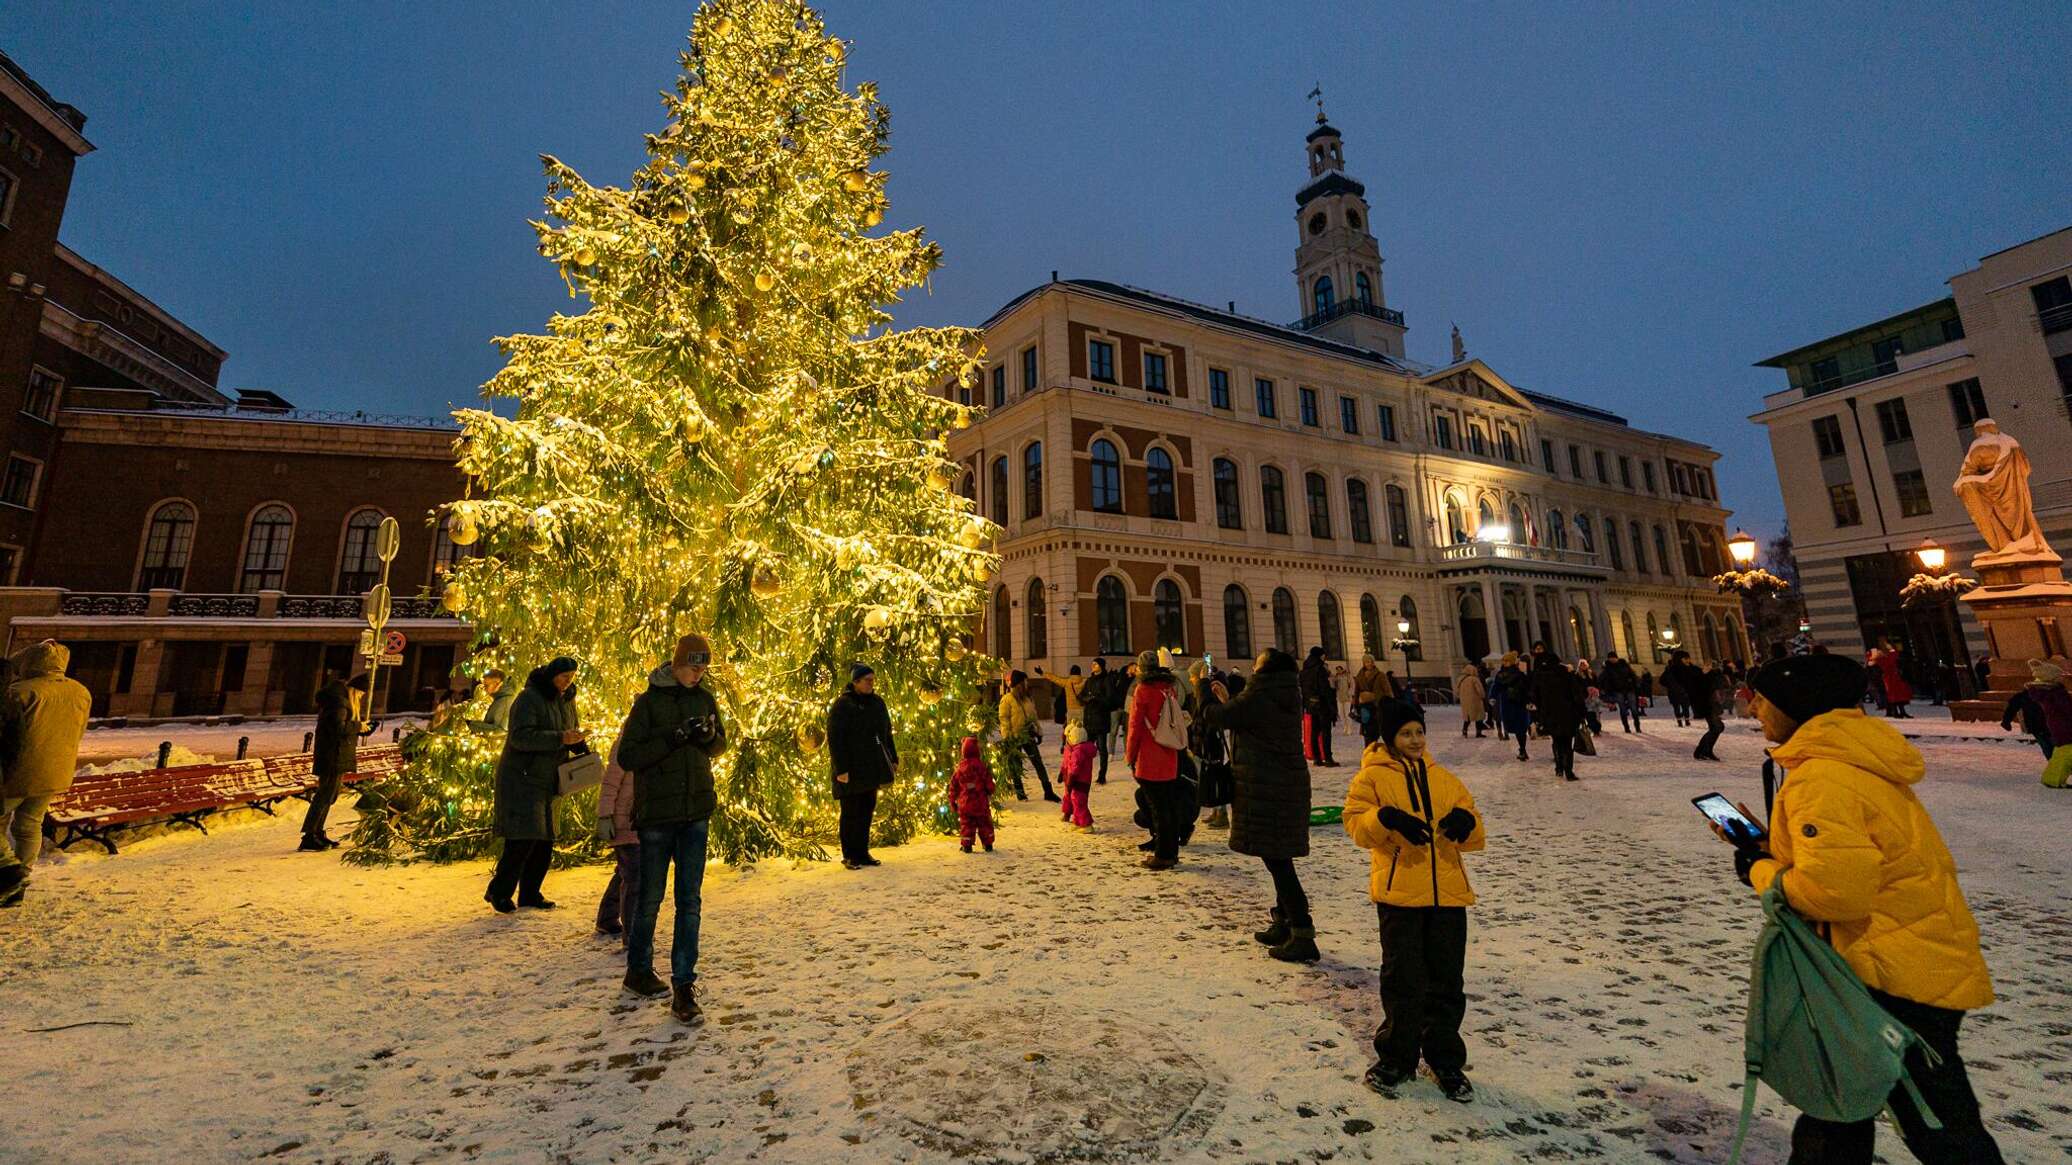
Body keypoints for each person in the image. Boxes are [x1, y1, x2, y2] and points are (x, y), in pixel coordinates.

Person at [1722, 654, 2003, 1163]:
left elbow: (1835, 895)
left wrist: (1758, 871)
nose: (1753, 707)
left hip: (1890, 974)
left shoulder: (1821, 779)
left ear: (1796, 705)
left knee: (1937, 1127)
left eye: (1762, 697)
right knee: (1843, 1109)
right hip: (1905, 955)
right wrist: (1770, 848)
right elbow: (1850, 860)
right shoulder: (1848, 760)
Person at [1344, 700, 1485, 1103]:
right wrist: (1385, 820)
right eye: (1406, 734)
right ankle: (1397, 1057)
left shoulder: (1445, 779)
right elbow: (1355, 823)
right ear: (1390, 738)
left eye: (1419, 732)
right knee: (1403, 979)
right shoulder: (1370, 778)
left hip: (1448, 895)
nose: (1415, 740)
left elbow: (1474, 824)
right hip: (1400, 894)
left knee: (1446, 981)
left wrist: (1467, 824)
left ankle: (1445, 1059)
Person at [617, 634, 727, 1021]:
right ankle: (639, 969)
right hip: (657, 816)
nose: (698, 674)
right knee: (649, 897)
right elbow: (629, 755)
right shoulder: (648, 704)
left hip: (695, 810)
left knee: (689, 902)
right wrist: (673, 737)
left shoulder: (705, 698)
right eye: (693, 667)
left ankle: (683, 986)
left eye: (703, 668)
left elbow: (720, 746)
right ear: (677, 663)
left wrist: (708, 737)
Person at [1202, 648, 1315, 963]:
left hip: (1271, 787)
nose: (1253, 665)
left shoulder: (1262, 694)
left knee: (1278, 862)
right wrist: (1228, 699)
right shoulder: (1282, 692)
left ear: (1267, 669)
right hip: (1282, 785)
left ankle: (1302, 931)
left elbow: (1219, 718)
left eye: (1258, 661)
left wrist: (1205, 694)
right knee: (1277, 856)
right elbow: (1246, 717)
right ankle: (1285, 922)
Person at [486, 657, 583, 914]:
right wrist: (560, 738)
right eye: (564, 677)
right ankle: (500, 891)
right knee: (523, 838)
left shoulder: (566, 700)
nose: (568, 682)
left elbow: (567, 730)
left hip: (550, 777)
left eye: (571, 677)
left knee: (544, 839)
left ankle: (530, 893)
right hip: (523, 777)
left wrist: (577, 742)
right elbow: (520, 737)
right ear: (552, 675)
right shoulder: (529, 698)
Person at [0, 641, 92, 907]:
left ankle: (10, 872)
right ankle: (20, 882)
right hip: (56, 771)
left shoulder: (21, 691)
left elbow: (11, 735)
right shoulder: (80, 691)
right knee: (29, 826)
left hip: (20, 772)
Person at [828, 663, 898, 868]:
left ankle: (862, 852)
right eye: (867, 680)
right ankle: (850, 854)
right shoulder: (843, 705)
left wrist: (893, 758)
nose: (871, 683)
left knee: (867, 810)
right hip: (850, 770)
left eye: (872, 680)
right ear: (856, 682)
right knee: (851, 812)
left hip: (871, 768)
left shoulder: (877, 703)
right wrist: (841, 770)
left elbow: (886, 733)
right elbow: (835, 739)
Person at [1125, 649, 1184, 870]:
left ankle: (1163, 855)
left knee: (1158, 809)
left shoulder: (1143, 690)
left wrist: (1130, 755)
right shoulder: (1169, 688)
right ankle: (1172, 852)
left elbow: (1135, 727)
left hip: (1150, 757)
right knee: (1168, 805)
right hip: (1170, 753)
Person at [301, 673, 373, 851]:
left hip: (336, 755)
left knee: (329, 796)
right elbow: (337, 728)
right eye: (361, 695)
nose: (362, 699)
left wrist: (364, 729)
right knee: (324, 795)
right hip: (332, 756)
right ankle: (309, 835)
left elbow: (342, 728)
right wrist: (358, 726)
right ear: (355, 691)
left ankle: (317, 832)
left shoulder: (341, 703)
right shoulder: (339, 704)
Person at [593, 743, 637, 939]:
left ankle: (607, 917)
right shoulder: (627, 740)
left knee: (627, 872)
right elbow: (611, 779)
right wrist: (605, 814)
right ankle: (632, 933)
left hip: (640, 818)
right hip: (624, 819)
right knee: (633, 877)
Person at [997, 670, 1058, 801]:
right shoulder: (1007, 700)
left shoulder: (1027, 698)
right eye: (1024, 681)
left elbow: (1033, 716)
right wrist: (1007, 737)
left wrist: (1039, 731)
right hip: (1014, 738)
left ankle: (1048, 791)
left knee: (1038, 763)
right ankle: (1020, 793)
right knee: (1016, 766)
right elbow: (1004, 719)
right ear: (1018, 683)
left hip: (1028, 735)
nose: (1027, 683)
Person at [1527, 653, 1585, 782]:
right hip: (1568, 713)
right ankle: (1569, 771)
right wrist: (1581, 713)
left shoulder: (1540, 676)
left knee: (1557, 741)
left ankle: (1559, 767)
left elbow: (1534, 696)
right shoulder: (1566, 673)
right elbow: (1577, 694)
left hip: (1549, 713)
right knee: (1567, 742)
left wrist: (1540, 711)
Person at [1999, 658, 2068, 762]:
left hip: (2039, 726)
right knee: (2058, 751)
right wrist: (2006, 721)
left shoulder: (2030, 692)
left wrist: (2006, 721)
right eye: (2059, 677)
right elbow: (2067, 708)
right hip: (2052, 726)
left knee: (2051, 751)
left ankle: (2055, 767)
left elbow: (2013, 705)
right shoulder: (2056, 692)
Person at [1666, 650, 1723, 761]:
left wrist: (1709, 672)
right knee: (1717, 727)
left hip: (1707, 700)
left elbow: (1706, 682)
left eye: (1688, 658)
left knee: (1716, 727)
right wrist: (1704, 674)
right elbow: (1694, 684)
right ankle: (1701, 751)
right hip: (1700, 701)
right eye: (1685, 658)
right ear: (1680, 660)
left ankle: (1705, 751)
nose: (1688, 660)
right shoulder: (1678, 671)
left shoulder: (1692, 669)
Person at [948, 735, 996, 851]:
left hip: (966, 804)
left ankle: (967, 844)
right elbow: (988, 780)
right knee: (984, 824)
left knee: (966, 825)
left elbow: (953, 786)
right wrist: (990, 790)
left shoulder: (960, 769)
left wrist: (952, 801)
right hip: (980, 802)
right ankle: (988, 843)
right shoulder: (981, 767)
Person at [1298, 647, 1339, 766]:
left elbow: (1303, 689)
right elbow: (1324, 689)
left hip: (1311, 704)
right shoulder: (1320, 669)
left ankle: (1317, 758)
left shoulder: (1304, 670)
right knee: (1326, 731)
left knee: (1314, 732)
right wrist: (1331, 698)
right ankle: (1328, 758)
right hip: (1323, 704)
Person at [1081, 657, 1116, 785]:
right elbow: (1081, 695)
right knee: (1087, 749)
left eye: (1095, 664)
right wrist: (1086, 699)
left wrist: (1097, 699)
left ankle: (1102, 775)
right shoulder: (1089, 681)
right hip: (1089, 719)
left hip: (1101, 719)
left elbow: (1110, 699)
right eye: (1092, 664)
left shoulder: (1106, 680)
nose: (1093, 666)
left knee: (1102, 748)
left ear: (1101, 666)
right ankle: (1086, 773)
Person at [1493, 652, 1531, 760]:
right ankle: (1522, 749)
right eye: (1503, 661)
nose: (1504, 663)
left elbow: (1526, 687)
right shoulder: (1500, 674)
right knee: (1515, 728)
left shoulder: (1520, 673)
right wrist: (1492, 697)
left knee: (1521, 729)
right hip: (1508, 705)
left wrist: (1529, 700)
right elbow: (1496, 687)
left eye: (1506, 661)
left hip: (1519, 703)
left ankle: (1522, 749)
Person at [1058, 720, 1096, 829]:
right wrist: (1063, 772)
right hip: (1075, 779)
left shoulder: (1078, 752)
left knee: (1079, 801)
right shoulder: (1073, 749)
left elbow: (1075, 767)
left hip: (1079, 780)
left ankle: (1086, 824)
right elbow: (1067, 762)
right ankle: (1077, 821)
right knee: (1074, 799)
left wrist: (1071, 778)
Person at [1870, 640, 1914, 719]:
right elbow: (1893, 657)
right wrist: (1891, 649)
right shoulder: (1882, 660)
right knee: (1893, 697)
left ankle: (1900, 712)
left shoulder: (1882, 660)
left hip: (1894, 679)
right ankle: (1896, 712)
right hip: (1890, 680)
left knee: (1898, 697)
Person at [1352, 655, 1390, 744]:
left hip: (1377, 706)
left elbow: (1387, 691)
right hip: (1364, 707)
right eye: (1367, 662)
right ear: (1363, 663)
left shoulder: (1380, 675)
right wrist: (1356, 704)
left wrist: (1374, 696)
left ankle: (1374, 751)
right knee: (1367, 732)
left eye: (1371, 662)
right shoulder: (1360, 676)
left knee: (1376, 732)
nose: (1369, 664)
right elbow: (1356, 691)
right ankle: (1369, 752)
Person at [1600, 652, 1641, 733]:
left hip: (1629, 689)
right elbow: (1603, 679)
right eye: (1610, 658)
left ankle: (1637, 726)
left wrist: (1635, 684)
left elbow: (1633, 675)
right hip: (1617, 690)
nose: (1612, 659)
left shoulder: (1624, 665)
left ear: (1616, 658)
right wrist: (1605, 689)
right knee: (1623, 709)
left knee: (1634, 708)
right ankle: (1626, 727)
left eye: (1613, 658)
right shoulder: (1608, 668)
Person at [1453, 664, 1486, 738]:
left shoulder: (1460, 679)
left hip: (1465, 702)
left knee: (1467, 717)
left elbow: (1456, 691)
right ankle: (1478, 732)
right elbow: (1480, 690)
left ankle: (1464, 731)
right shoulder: (1474, 679)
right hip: (1475, 701)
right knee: (1478, 717)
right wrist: (1483, 696)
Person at [1662, 661, 1692, 726]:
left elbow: (1661, 681)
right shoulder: (1681, 669)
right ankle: (1687, 721)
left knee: (1676, 708)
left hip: (1673, 693)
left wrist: (1668, 685)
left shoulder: (1667, 671)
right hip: (1683, 692)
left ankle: (1679, 721)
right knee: (1685, 707)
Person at [1060, 664, 1087, 730]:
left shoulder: (1066, 682)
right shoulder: (1085, 681)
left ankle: (1070, 740)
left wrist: (1043, 674)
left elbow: (1055, 679)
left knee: (1070, 729)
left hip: (1070, 710)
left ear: (1070, 673)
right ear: (1080, 672)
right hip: (1082, 710)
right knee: (1081, 729)